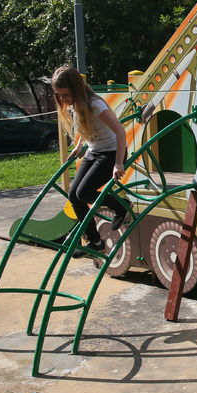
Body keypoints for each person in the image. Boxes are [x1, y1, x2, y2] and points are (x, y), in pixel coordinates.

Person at [52, 66, 130, 256]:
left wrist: (118, 164)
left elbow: (120, 132)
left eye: (66, 95)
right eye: (59, 96)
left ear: (77, 89)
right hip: (94, 152)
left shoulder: (96, 105)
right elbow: (83, 123)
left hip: (112, 153)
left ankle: (122, 207)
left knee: (84, 192)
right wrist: (79, 145)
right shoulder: (74, 103)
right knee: (73, 195)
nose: (64, 99)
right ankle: (95, 240)